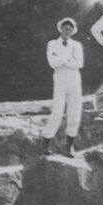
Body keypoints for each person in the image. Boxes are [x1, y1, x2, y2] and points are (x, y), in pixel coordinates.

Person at [42, 18, 83, 157]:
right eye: (65, 28)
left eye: (70, 29)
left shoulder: (76, 45)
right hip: (59, 79)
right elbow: (52, 62)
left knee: (74, 112)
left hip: (74, 79)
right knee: (57, 112)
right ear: (61, 29)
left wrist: (62, 59)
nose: (67, 31)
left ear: (73, 31)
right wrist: (68, 60)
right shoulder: (52, 44)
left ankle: (69, 146)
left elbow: (80, 63)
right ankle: (46, 145)